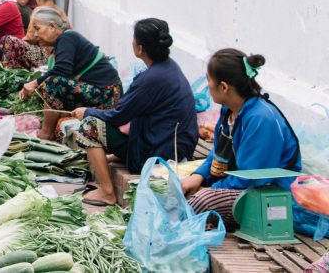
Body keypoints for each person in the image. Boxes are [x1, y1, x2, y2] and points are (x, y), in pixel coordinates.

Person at [65, 18, 198, 206]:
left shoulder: (151, 78)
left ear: (140, 48)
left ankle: (107, 192)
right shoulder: (169, 67)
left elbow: (118, 115)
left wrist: (87, 112)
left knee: (89, 127)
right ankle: (117, 160)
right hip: (172, 147)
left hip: (159, 156)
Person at [180, 49, 307, 231]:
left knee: (199, 202)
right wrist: (198, 176)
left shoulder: (261, 119)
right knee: (176, 190)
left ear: (223, 87)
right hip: (235, 186)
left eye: (208, 79)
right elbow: (217, 155)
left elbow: (251, 179)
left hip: (266, 196)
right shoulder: (229, 111)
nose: (206, 85)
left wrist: (209, 190)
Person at [18, 7, 122, 139]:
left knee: (52, 83)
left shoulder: (67, 37)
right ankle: (20, 115)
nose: (36, 34)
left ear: (51, 26)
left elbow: (61, 72)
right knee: (46, 87)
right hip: (97, 91)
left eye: (37, 29)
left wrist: (34, 83)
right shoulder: (63, 40)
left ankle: (46, 133)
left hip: (107, 95)